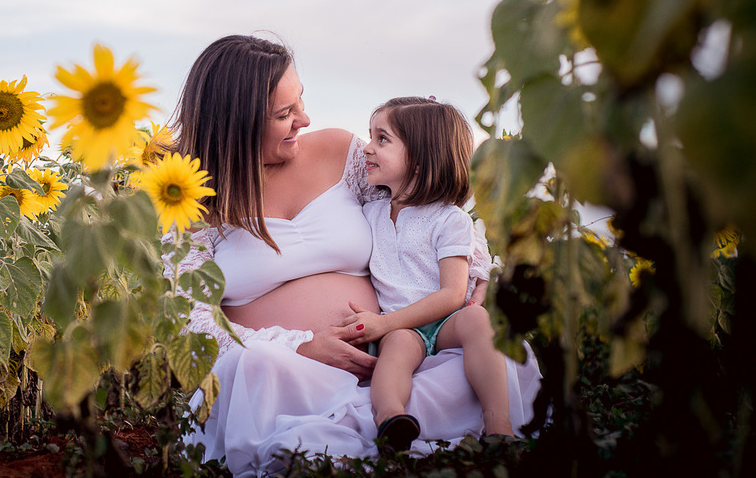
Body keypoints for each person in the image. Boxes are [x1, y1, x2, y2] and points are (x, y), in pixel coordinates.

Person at [163, 35, 540, 476]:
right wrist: (302, 347)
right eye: (285, 114)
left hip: (394, 357)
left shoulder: (339, 153)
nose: (304, 119)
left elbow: (420, 198)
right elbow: (192, 323)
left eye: (300, 99)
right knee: (254, 368)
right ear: (235, 122)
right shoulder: (188, 203)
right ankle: (357, 432)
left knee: (489, 356)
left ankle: (389, 422)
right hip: (291, 376)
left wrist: (471, 267)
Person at [351, 97, 512, 452]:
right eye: (370, 137)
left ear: (421, 161)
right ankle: (392, 419)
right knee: (394, 353)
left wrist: (383, 323)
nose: (366, 148)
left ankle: (499, 423)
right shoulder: (370, 213)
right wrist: (389, 326)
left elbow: (453, 293)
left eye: (382, 139)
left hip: (444, 319)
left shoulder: (448, 219)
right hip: (401, 329)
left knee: (477, 318)